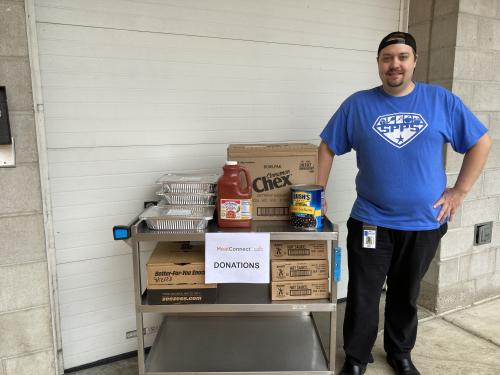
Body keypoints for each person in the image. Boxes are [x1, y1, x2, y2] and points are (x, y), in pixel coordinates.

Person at [317, 31, 491, 375]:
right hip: (370, 220)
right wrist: (318, 193)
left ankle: (400, 353)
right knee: (364, 294)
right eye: (387, 58)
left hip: (424, 222)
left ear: (414, 61)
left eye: (402, 57)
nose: (394, 64)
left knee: (405, 293)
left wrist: (459, 191)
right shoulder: (358, 104)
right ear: (379, 64)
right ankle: (355, 358)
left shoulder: (440, 101)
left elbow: (481, 142)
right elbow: (327, 146)